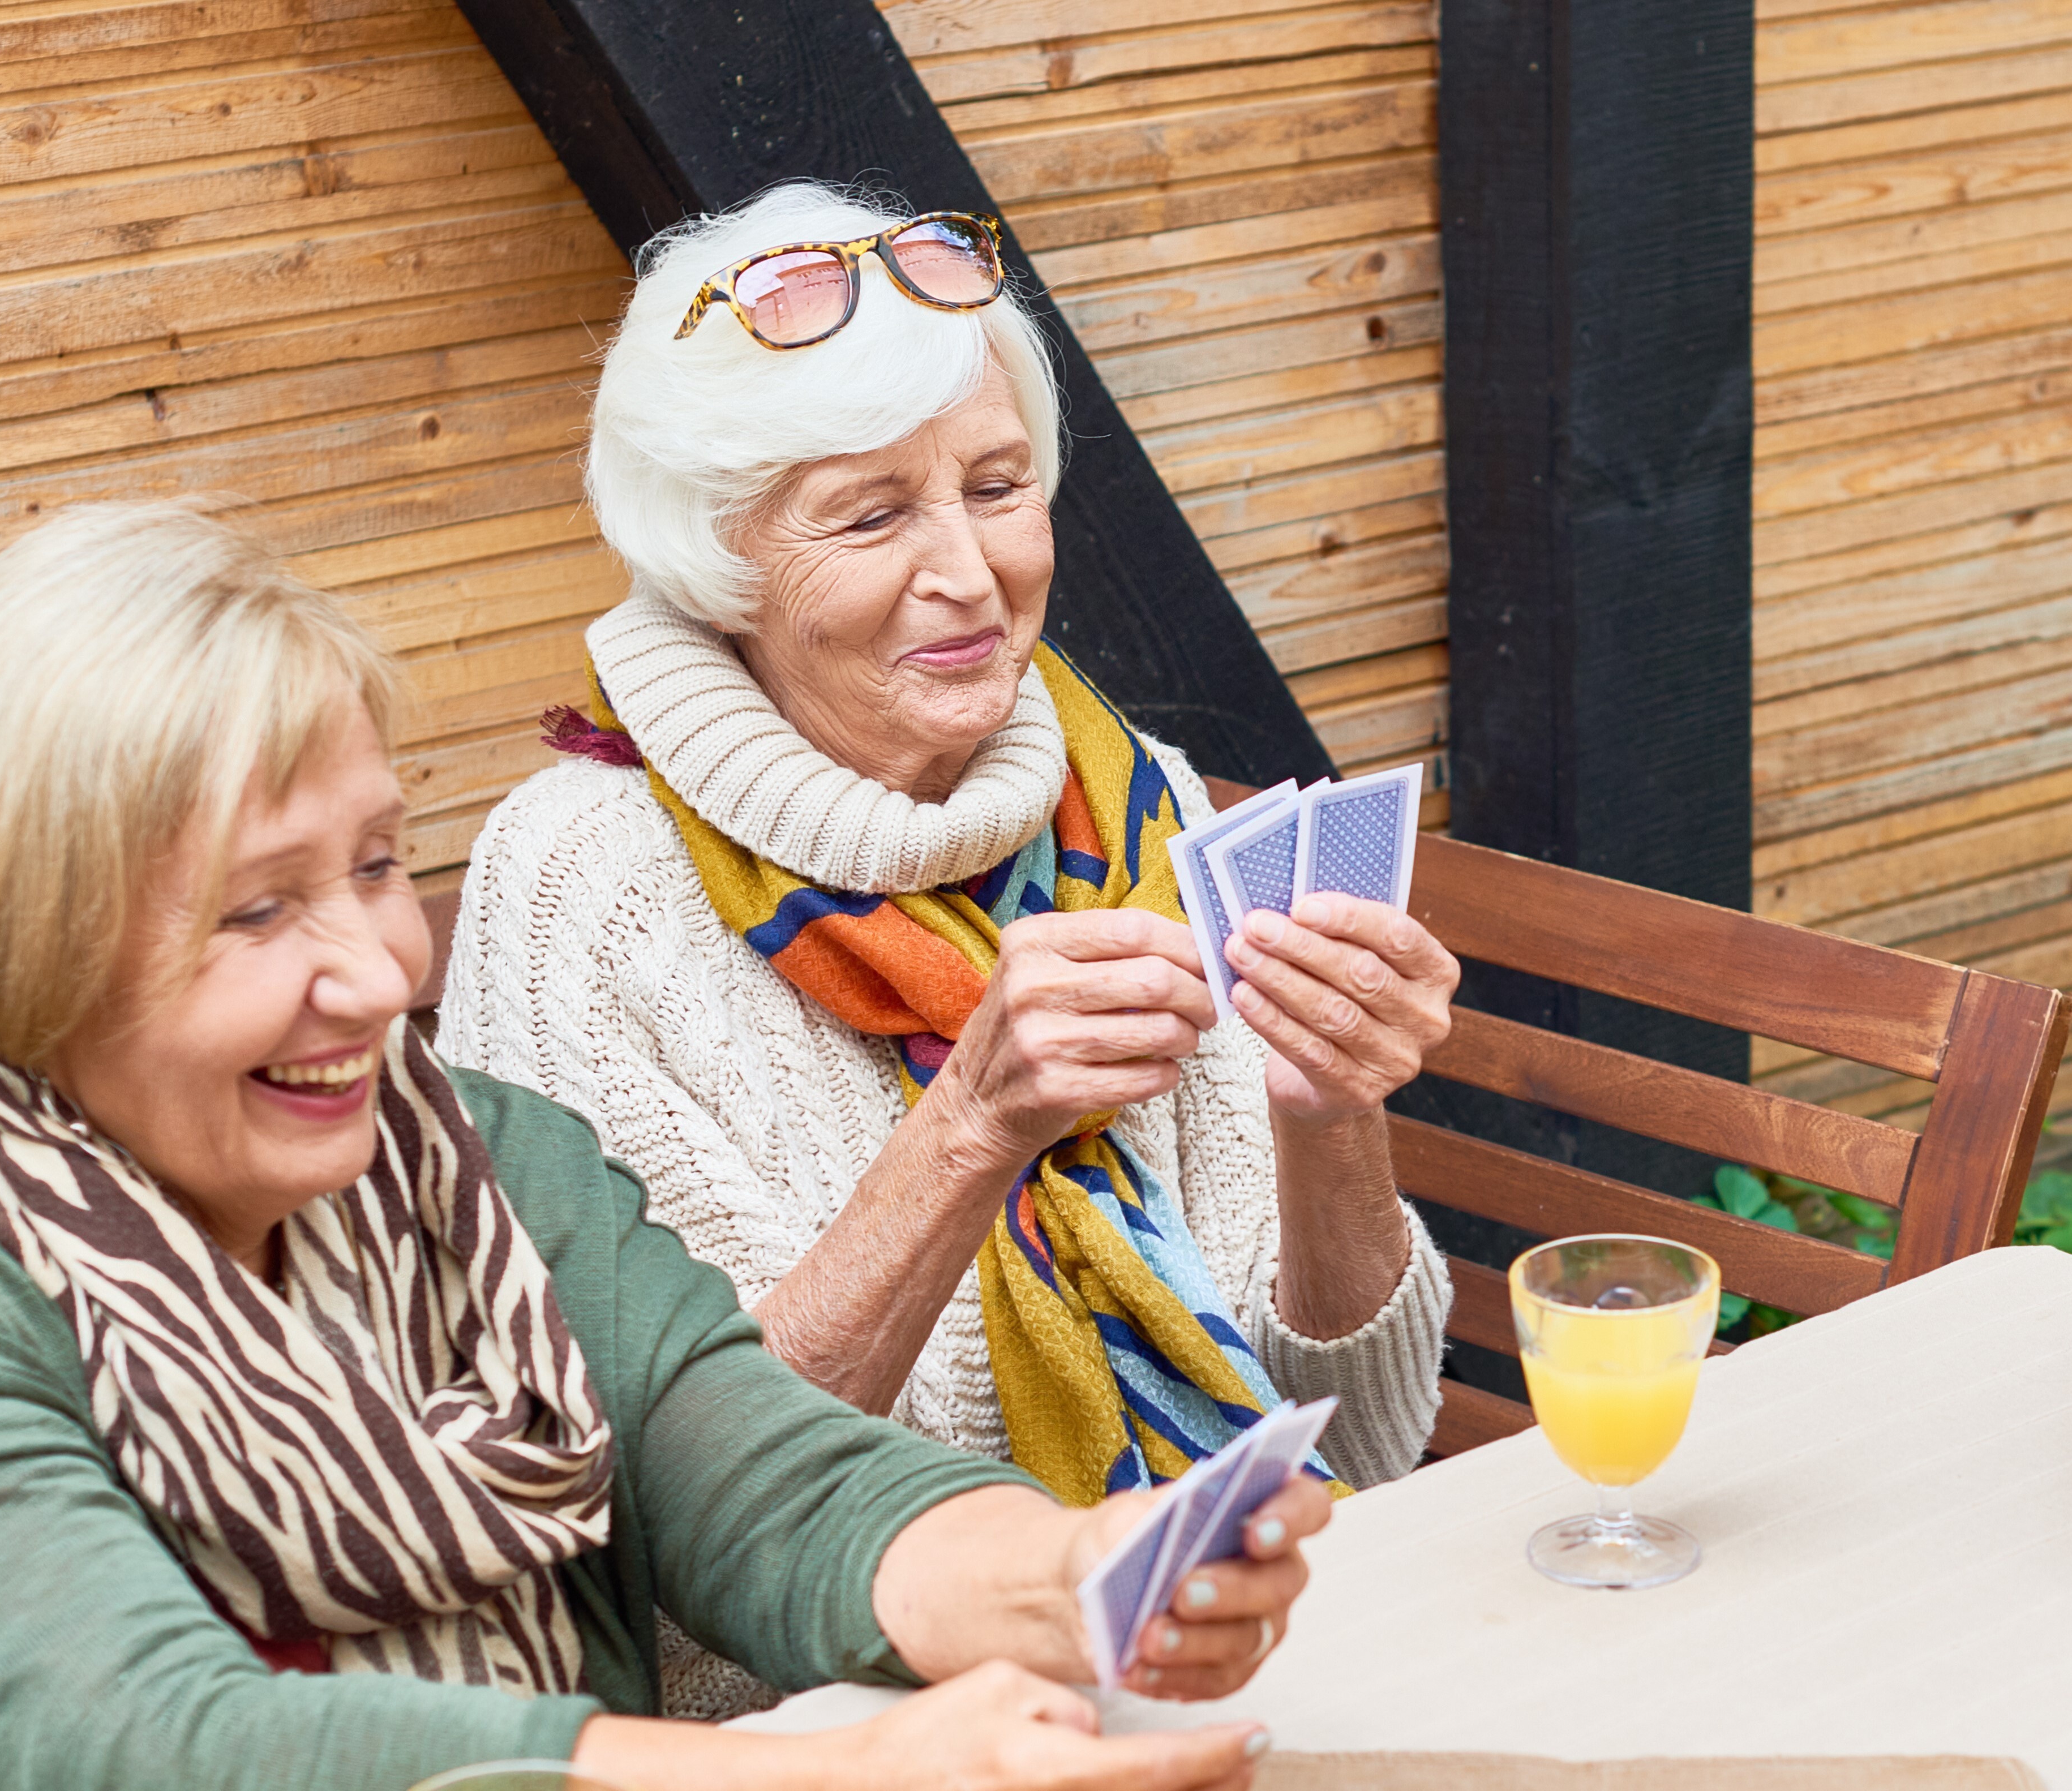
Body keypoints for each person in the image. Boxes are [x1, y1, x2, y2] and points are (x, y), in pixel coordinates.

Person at [0, 504, 1320, 1791]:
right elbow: (156, 1736)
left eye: (380, 863)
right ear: (22, 945)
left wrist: (1073, 1570)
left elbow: (745, 1465)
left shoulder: (470, 1154)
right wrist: (825, 1765)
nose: (383, 971)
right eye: (259, 908)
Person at [436, 190, 1452, 1523]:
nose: (968, 574)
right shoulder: (579, 886)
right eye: (867, 518)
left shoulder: (1127, 792)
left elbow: (1367, 1434)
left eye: (995, 486)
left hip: (1243, 1582)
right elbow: (686, 1510)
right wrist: (972, 1124)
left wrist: (1330, 1119)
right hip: (852, 1690)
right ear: (717, 561)